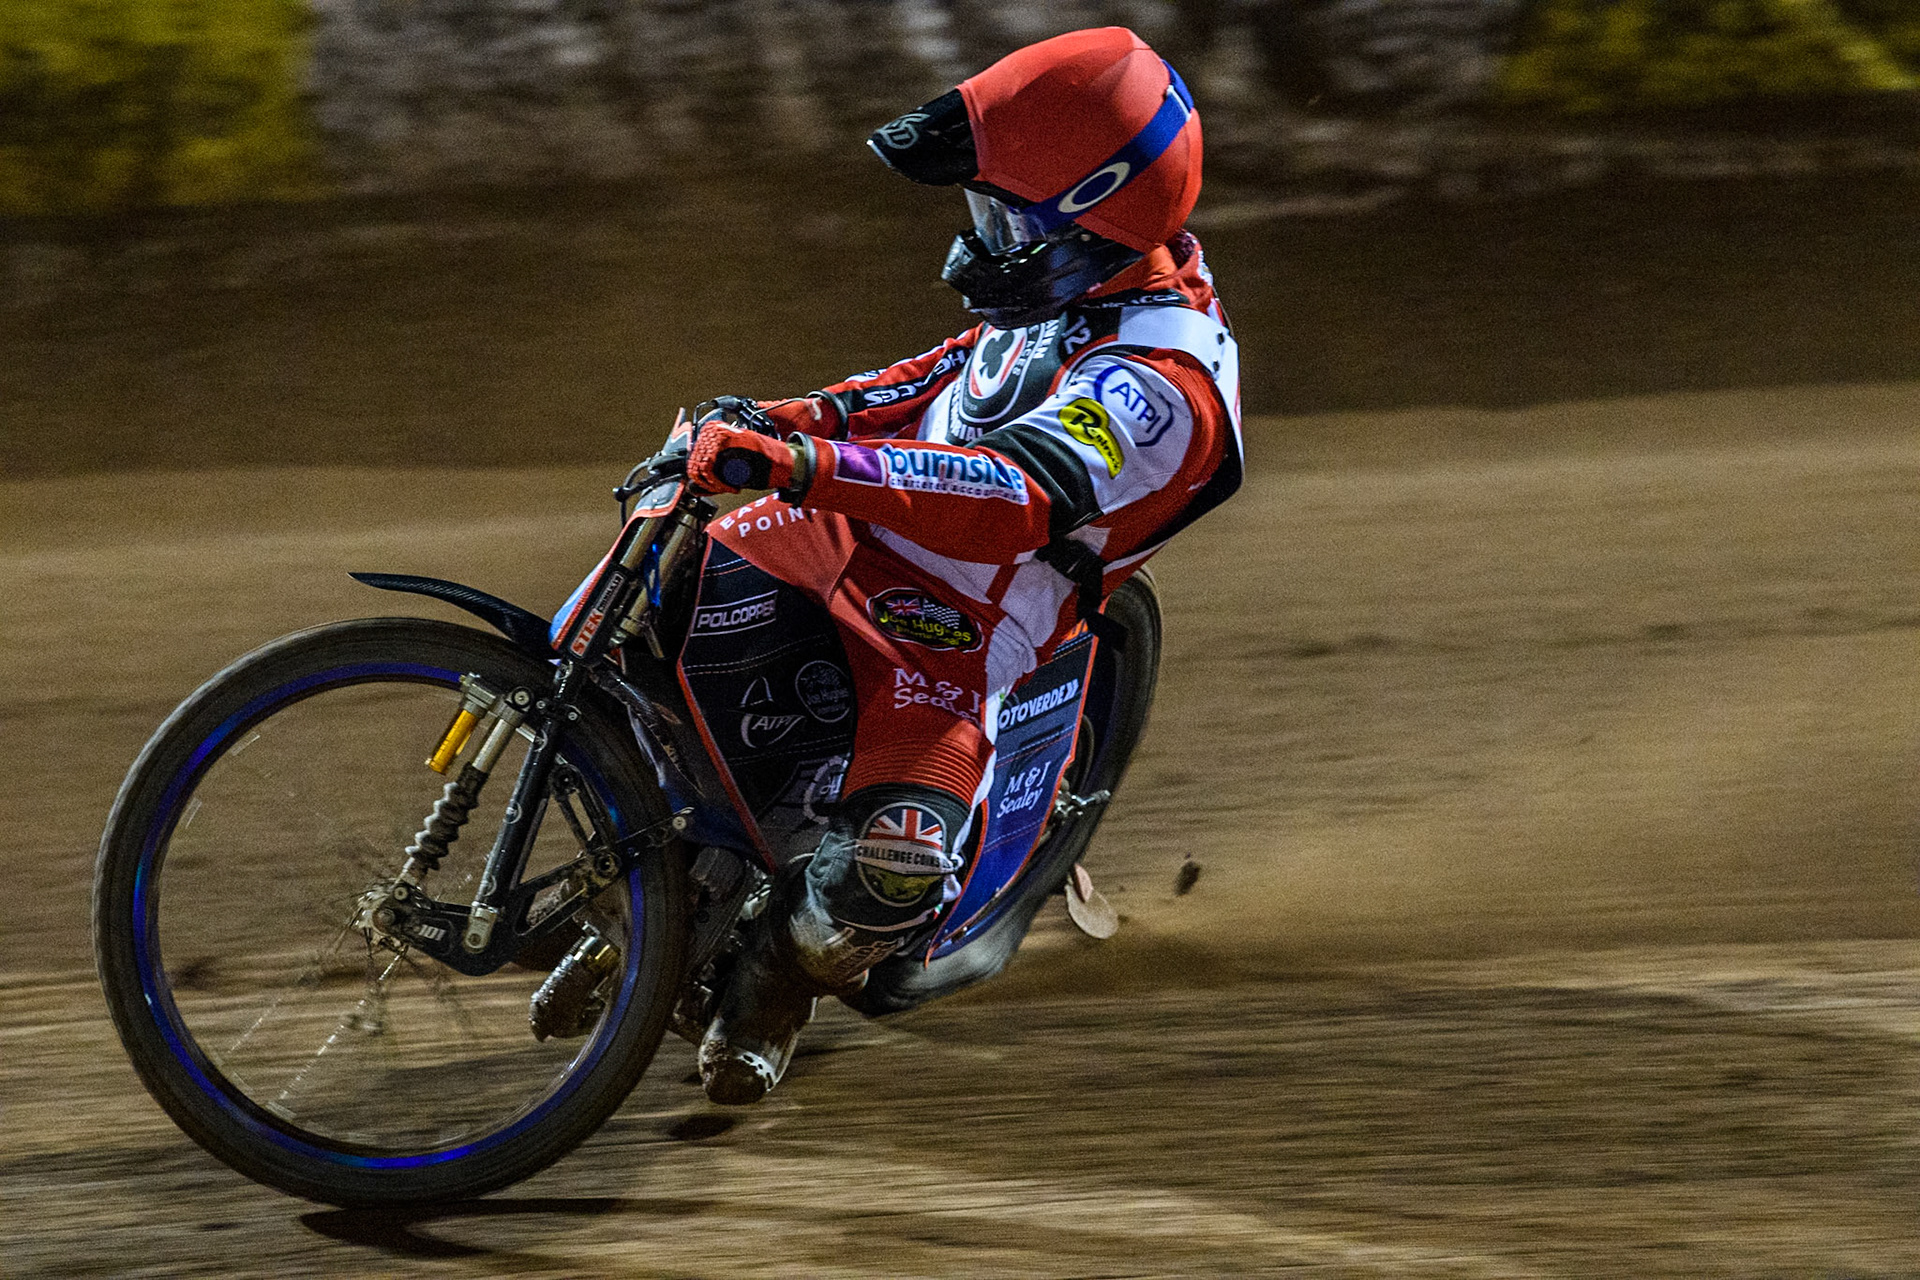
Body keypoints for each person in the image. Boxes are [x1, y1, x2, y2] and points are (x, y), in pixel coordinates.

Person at [681, 25, 1243, 1105]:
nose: (972, 239)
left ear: (1094, 214)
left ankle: (777, 976)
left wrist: (806, 461)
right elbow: (953, 374)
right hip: (856, 530)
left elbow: (1011, 501)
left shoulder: (1160, 386)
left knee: (885, 873)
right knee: (661, 596)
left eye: (1000, 216)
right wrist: (796, 419)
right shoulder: (1077, 279)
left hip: (965, 625)